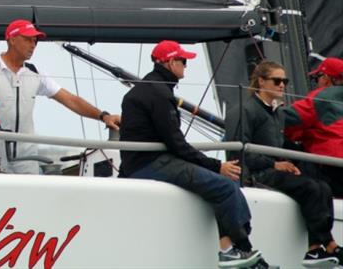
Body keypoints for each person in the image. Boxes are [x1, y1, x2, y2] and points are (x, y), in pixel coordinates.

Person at [120, 40, 265, 268]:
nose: (186, 66)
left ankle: (233, 249)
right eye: (183, 61)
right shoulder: (159, 93)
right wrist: (217, 166)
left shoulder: (147, 88)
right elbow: (177, 144)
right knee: (226, 186)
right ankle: (239, 249)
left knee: (224, 186)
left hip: (139, 163)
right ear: (169, 62)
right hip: (152, 163)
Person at [225, 60, 341, 267]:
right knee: (311, 187)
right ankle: (327, 244)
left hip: (272, 170)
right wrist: (276, 164)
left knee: (322, 186)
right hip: (256, 174)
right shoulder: (245, 110)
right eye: (277, 80)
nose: (282, 85)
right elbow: (239, 151)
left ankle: (316, 248)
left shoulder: (277, 114)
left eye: (284, 81)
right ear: (261, 81)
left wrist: (298, 161)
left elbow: (285, 145)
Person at [0, 19, 121, 174]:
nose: (33, 45)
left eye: (35, 41)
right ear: (12, 40)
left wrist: (103, 116)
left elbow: (70, 100)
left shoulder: (35, 73)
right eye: (27, 39)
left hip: (27, 158)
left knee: (30, 198)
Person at [284, 57, 343, 196]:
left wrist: (268, 109)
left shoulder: (323, 97)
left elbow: (288, 119)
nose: (316, 82)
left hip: (331, 166)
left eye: (317, 77)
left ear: (327, 78)